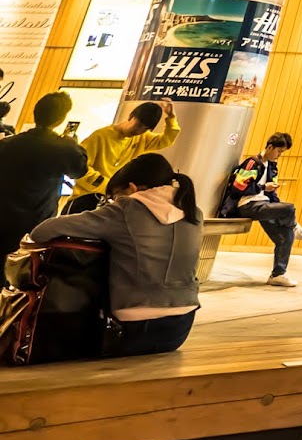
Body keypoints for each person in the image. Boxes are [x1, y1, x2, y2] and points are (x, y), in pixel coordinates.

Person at [28, 152, 201, 356]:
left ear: (133, 188)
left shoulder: (126, 208)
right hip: (180, 328)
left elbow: (42, 231)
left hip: (132, 328)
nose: (112, 201)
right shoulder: (194, 212)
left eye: (114, 196)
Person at [0, 92, 88, 255]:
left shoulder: (7, 143)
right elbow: (79, 170)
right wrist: (74, 144)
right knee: (25, 269)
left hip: (4, 217)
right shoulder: (65, 149)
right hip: (36, 222)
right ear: (60, 120)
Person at [221, 131, 301, 287]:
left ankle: (278, 274)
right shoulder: (252, 162)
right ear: (270, 147)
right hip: (247, 205)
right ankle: (295, 225)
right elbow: (239, 187)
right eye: (278, 151)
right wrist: (264, 187)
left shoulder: (272, 167)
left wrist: (277, 205)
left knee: (286, 236)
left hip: (263, 205)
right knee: (290, 209)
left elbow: (272, 195)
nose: (279, 155)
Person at [75, 100, 180, 200]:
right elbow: (79, 168)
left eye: (144, 129)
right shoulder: (100, 136)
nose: (138, 131)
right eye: (138, 125)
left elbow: (166, 140)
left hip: (114, 197)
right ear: (131, 117)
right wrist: (109, 186)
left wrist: (171, 117)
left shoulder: (142, 138)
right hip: (87, 196)